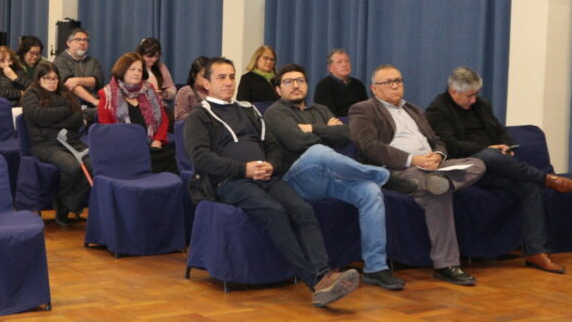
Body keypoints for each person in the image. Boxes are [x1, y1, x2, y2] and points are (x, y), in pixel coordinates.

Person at [183, 57, 359, 307]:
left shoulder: (249, 109)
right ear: (206, 83)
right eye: (221, 77)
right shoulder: (199, 116)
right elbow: (200, 157)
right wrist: (243, 169)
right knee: (274, 211)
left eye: (232, 76)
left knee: (303, 210)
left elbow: (272, 146)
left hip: (266, 175)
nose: (229, 82)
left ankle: (324, 273)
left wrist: (271, 165)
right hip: (228, 181)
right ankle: (316, 282)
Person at [265, 63, 443, 291]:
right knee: (319, 152)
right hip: (297, 179)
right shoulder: (275, 112)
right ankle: (384, 176)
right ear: (279, 90)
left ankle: (375, 268)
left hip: (330, 176)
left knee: (370, 192)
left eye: (300, 80)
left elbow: (345, 135)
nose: (296, 85)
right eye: (288, 82)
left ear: (307, 84)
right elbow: (296, 142)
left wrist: (311, 129)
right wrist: (326, 131)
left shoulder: (320, 109)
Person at [426, 67, 572, 274]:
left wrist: (505, 146)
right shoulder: (437, 110)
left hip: (495, 166)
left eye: (476, 94)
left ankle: (535, 252)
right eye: (470, 96)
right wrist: (486, 150)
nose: (474, 100)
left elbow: (500, 132)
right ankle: (545, 178)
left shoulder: (481, 105)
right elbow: (450, 145)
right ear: (454, 93)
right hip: (465, 169)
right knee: (489, 155)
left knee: (528, 187)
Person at [348, 64, 487, 286]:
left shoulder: (413, 109)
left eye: (398, 80)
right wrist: (413, 160)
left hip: (432, 167)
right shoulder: (362, 109)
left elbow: (437, 139)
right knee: (438, 194)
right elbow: (369, 147)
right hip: (397, 170)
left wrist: (439, 156)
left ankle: (438, 182)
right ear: (374, 88)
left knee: (478, 164)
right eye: (388, 82)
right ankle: (446, 265)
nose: (395, 85)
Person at [21, 61, 90, 227]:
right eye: (47, 78)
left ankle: (68, 203)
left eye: (54, 78)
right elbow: (37, 115)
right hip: (45, 144)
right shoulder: (31, 94)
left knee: (94, 165)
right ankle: (62, 205)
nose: (52, 82)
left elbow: (78, 118)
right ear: (38, 79)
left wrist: (52, 120)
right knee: (72, 166)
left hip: (71, 141)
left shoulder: (64, 92)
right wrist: (65, 112)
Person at [97, 52, 176, 173]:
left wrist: (157, 141)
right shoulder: (107, 95)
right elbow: (107, 130)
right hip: (124, 151)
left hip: (153, 148)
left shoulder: (149, 90)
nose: (136, 73)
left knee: (173, 163)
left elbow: (163, 120)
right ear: (122, 70)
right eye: (132, 69)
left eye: (139, 70)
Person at [53, 28, 102, 107]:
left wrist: (77, 80)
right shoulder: (60, 61)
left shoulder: (93, 62)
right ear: (69, 43)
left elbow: (96, 82)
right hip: (71, 105)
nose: (82, 43)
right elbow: (70, 84)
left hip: (93, 105)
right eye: (78, 40)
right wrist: (94, 101)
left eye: (85, 40)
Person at [313, 48, 369, 117]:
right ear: (330, 68)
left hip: (358, 122)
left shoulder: (358, 85)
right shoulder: (323, 86)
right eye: (339, 62)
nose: (344, 65)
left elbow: (366, 109)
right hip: (335, 124)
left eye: (347, 61)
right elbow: (325, 114)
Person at [174, 56, 211, 121]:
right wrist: (200, 114)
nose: (207, 79)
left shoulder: (215, 92)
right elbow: (179, 118)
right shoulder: (185, 92)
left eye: (209, 76)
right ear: (194, 75)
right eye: (204, 76)